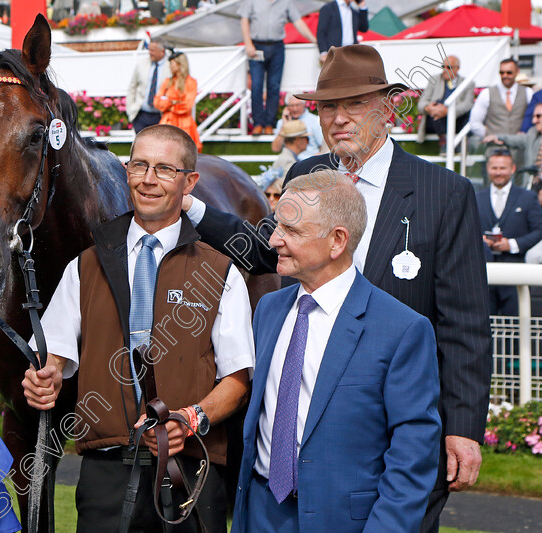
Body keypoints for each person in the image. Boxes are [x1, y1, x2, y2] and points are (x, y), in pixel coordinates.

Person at [183, 44, 491, 533]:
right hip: (308, 415)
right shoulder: (305, 174)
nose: (338, 118)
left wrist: (462, 427)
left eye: (354, 104)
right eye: (328, 106)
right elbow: (269, 249)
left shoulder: (443, 191)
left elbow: (467, 321)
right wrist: (194, 209)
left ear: (388, 108)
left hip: (394, 408)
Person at [22, 124, 254, 533]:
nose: (148, 179)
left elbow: (236, 379)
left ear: (189, 182)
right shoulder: (85, 265)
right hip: (105, 473)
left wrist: (192, 418)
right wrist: (46, 377)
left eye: (164, 169)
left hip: (191, 472)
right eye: (139, 165)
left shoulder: (221, 271)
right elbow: (52, 355)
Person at [232, 171, 441, 533]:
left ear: (336, 241)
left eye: (291, 231)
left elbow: (413, 455)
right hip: (260, 514)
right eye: (277, 225)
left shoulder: (402, 329)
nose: (274, 240)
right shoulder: (268, 309)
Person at [476, 149, 542, 315]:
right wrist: (481, 240)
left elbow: (540, 228)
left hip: (517, 273)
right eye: (495, 168)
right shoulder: (477, 197)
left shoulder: (527, 197)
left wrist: (512, 244)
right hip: (484, 275)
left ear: (512, 169)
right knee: (486, 324)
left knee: (514, 327)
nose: (498, 172)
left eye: (503, 168)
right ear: (488, 169)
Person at [240, 0, 315, 135]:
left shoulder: (286, 2)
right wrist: (248, 44)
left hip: (277, 47)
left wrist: (314, 40)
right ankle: (258, 124)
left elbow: (298, 22)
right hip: (256, 46)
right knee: (256, 85)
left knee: (274, 86)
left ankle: (269, 123)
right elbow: (244, 20)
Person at [417, 55, 473, 152]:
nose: (445, 70)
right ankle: (444, 141)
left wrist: (448, 111)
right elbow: (421, 103)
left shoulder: (467, 83)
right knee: (437, 104)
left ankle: (454, 143)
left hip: (457, 119)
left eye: (449, 67)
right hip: (436, 120)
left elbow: (467, 104)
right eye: (443, 67)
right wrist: (429, 108)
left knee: (468, 112)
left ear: (457, 68)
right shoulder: (434, 79)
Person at [470, 58, 532, 141]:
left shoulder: (528, 93)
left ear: (517, 71)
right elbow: (474, 123)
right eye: (501, 73)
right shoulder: (486, 93)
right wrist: (488, 135)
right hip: (494, 148)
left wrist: (527, 134)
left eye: (509, 72)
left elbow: (535, 119)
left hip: (519, 148)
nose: (505, 75)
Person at [484, 102, 542, 185]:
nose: (534, 121)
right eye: (533, 117)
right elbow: (516, 139)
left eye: (538, 116)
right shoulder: (533, 134)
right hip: (533, 185)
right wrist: (497, 137)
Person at [154, 52, 202, 152]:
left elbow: (187, 106)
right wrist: (173, 103)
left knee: (185, 151)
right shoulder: (167, 81)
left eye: (172, 64)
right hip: (168, 122)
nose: (170, 67)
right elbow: (157, 102)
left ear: (180, 64)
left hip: (185, 124)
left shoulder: (191, 82)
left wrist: (168, 104)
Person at [126, 38, 171, 134]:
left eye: (153, 50)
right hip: (141, 115)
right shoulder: (141, 63)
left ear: (162, 51)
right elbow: (132, 87)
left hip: (161, 115)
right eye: (149, 50)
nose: (150, 53)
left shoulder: (171, 65)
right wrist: (130, 110)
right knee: (141, 146)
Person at [271, 94, 325, 160]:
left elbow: (324, 148)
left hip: (310, 161)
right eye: (291, 105)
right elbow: (275, 149)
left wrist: (313, 160)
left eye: (297, 105)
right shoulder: (282, 122)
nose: (295, 109)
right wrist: (284, 125)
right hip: (290, 162)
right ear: (287, 107)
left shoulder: (314, 121)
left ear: (304, 105)